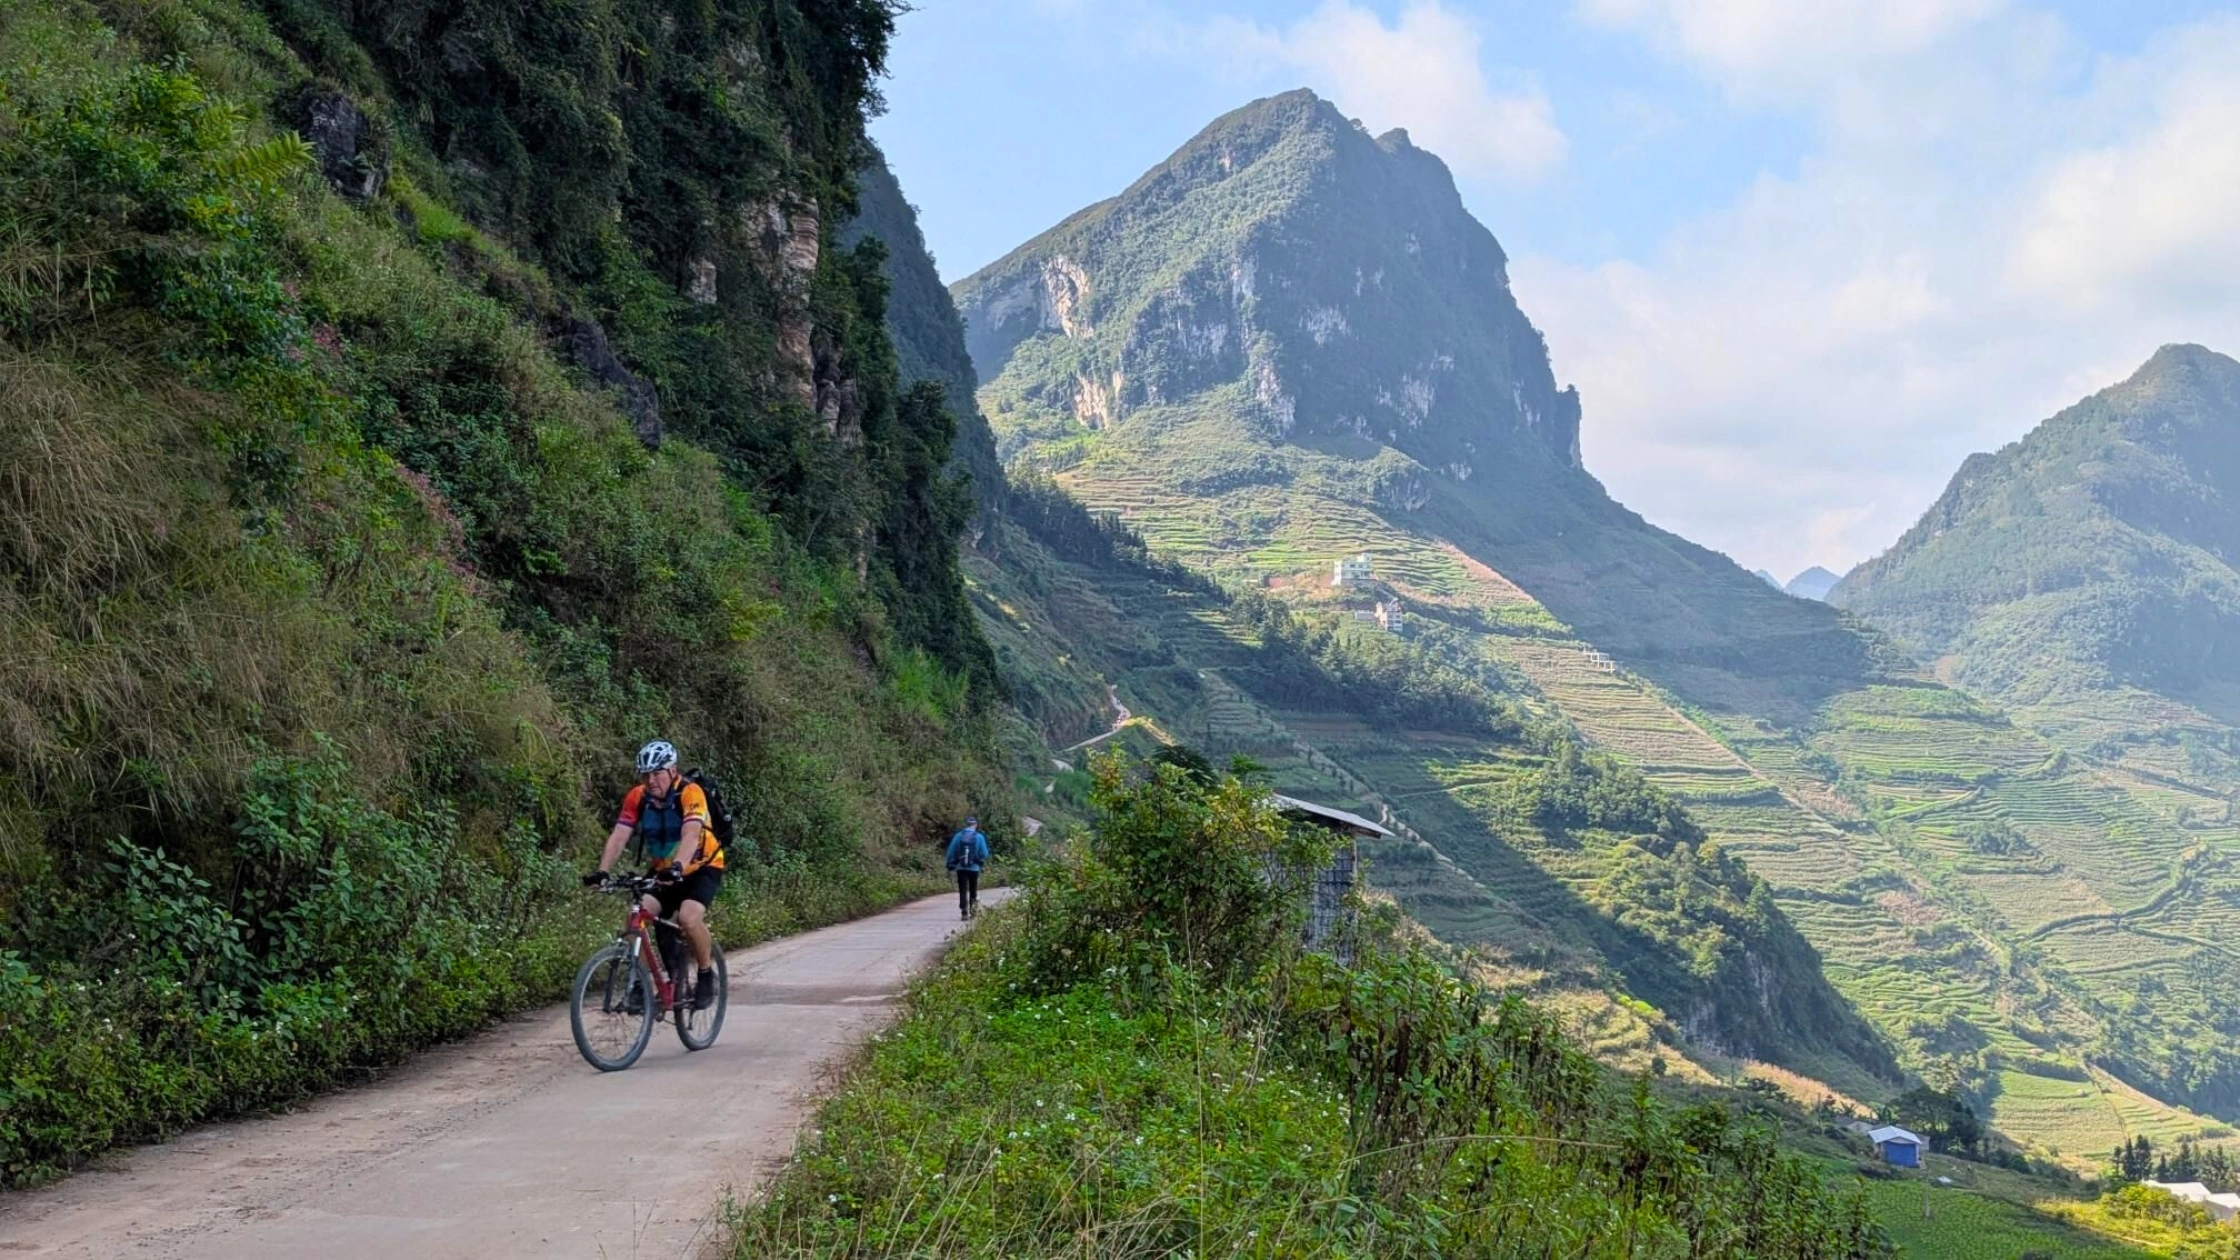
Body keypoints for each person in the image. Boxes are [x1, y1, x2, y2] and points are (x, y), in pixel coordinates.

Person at [585, 740, 726, 1007]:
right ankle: (641, 985)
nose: (651, 780)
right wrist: (602, 871)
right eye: (646, 774)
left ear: (672, 771)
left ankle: (706, 975)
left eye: (657, 773)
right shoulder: (637, 797)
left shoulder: (691, 793)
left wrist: (679, 867)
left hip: (702, 866)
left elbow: (691, 834)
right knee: (636, 916)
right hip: (665, 870)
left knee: (688, 918)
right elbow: (619, 835)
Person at [945, 815, 989, 920]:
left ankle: (964, 912)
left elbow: (951, 851)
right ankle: (973, 912)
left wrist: (950, 862)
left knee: (962, 889)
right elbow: (984, 853)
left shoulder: (958, 836)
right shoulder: (979, 837)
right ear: (975, 825)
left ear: (966, 824)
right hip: (974, 868)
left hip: (960, 868)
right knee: (973, 890)